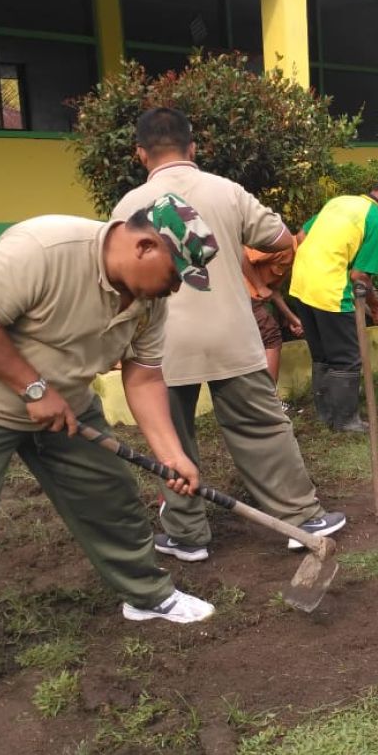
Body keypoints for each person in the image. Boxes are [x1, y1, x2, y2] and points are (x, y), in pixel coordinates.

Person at [0, 194, 219, 742]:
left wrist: (172, 455)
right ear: (145, 244)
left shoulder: (148, 301)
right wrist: (30, 388)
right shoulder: (44, 247)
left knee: (111, 494)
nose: (174, 289)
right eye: (175, 275)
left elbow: (143, 378)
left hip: (62, 403)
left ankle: (148, 596)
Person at [112, 107, 344, 560]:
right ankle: (300, 519)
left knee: (171, 440)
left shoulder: (126, 206)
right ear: (192, 147)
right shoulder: (227, 191)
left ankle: (185, 534)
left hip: (159, 345)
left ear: (141, 153)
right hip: (231, 335)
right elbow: (280, 238)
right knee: (260, 426)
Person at [290, 168, 378, 431]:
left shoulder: (339, 201)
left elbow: (301, 237)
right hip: (330, 292)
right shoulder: (377, 220)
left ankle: (326, 415)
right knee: (347, 358)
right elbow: (360, 276)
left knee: (323, 356)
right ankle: (346, 421)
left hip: (301, 286)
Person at [243, 241, 305, 385]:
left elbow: (274, 292)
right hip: (243, 294)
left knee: (258, 342)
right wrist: (259, 286)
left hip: (253, 298)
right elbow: (241, 254)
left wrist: (293, 320)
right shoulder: (282, 244)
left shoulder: (294, 258)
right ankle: (270, 401)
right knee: (271, 338)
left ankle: (264, 400)